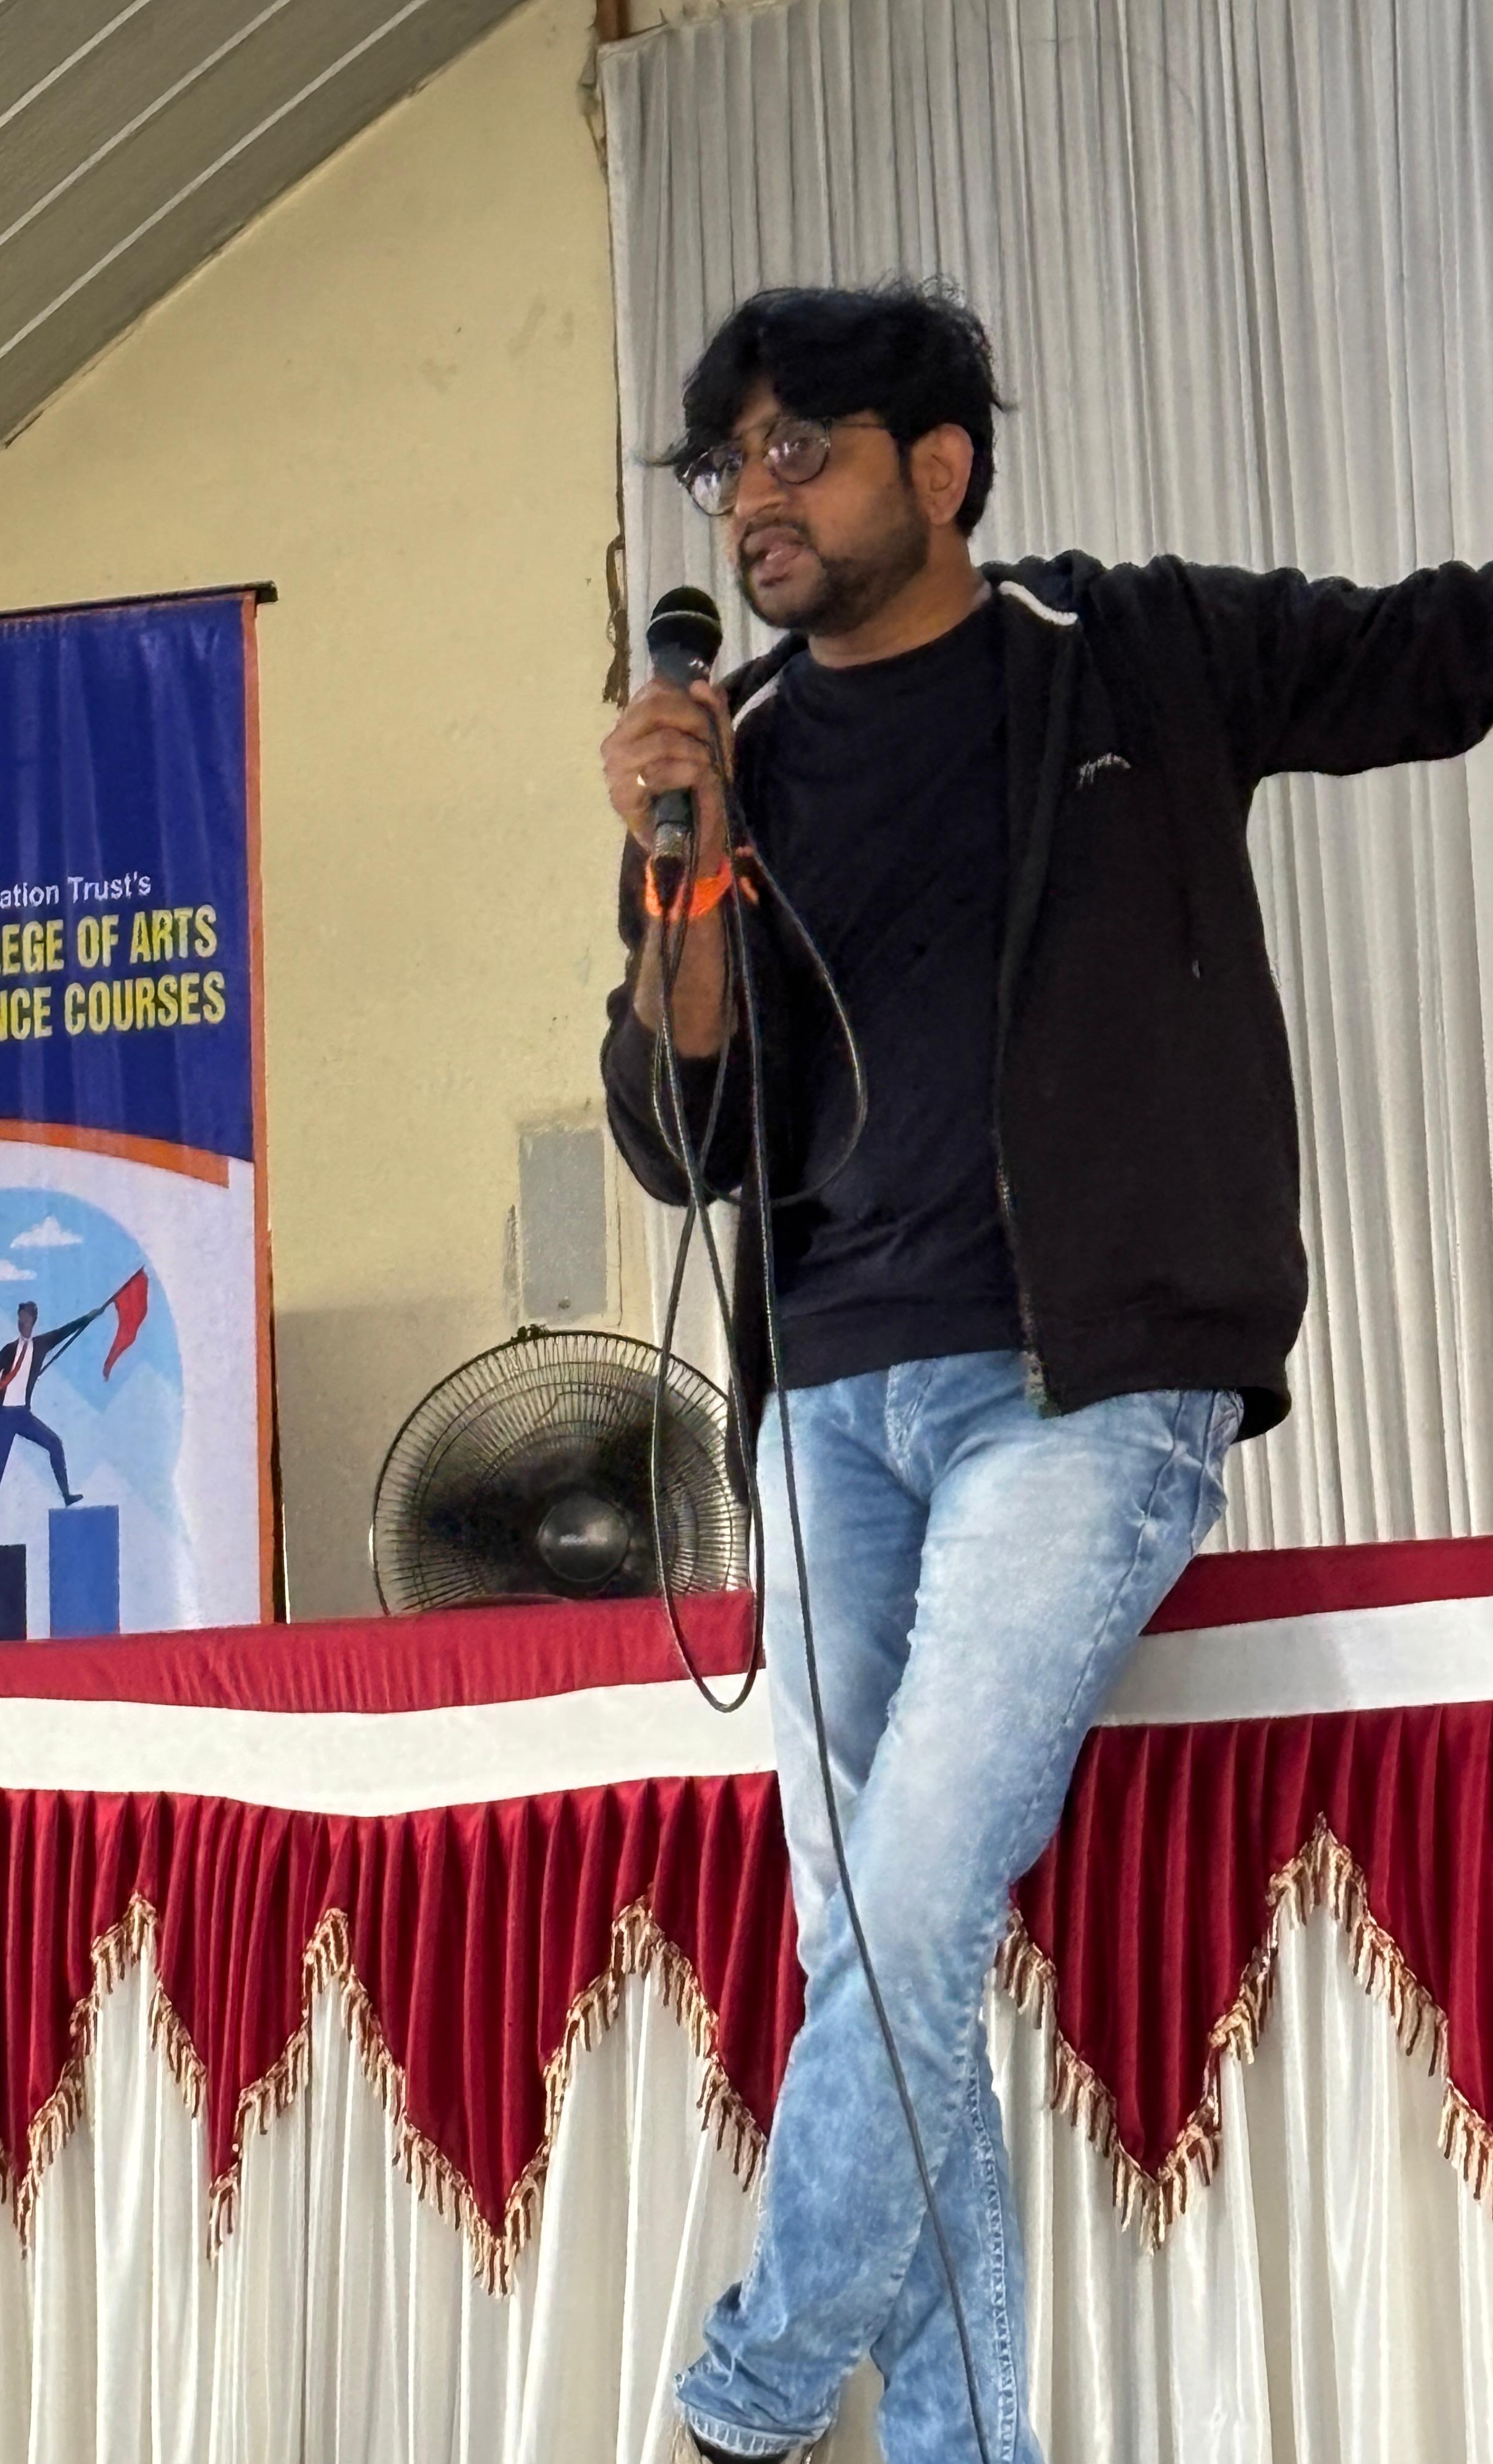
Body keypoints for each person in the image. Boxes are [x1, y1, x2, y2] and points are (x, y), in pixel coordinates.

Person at [598, 280, 1493, 2464]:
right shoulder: (743, 757)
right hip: (826, 1400)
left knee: (907, 1902)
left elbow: (1435, 653)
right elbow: (681, 1136)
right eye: (724, 463)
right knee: (873, 1957)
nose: (751, 497)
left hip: (1078, 1386)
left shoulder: (1132, 650)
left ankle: (744, 2395)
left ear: (940, 466)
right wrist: (675, 877)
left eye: (796, 447)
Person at [0, 1297, 101, 1546]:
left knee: (55, 1443)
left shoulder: (42, 1344)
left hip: (23, 1415)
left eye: (26, 1320)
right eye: (20, 1321)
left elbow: (65, 1331)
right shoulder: (9, 1350)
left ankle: (66, 1495)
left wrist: (89, 1317)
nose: (22, 1324)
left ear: (34, 1321)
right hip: (6, 1418)